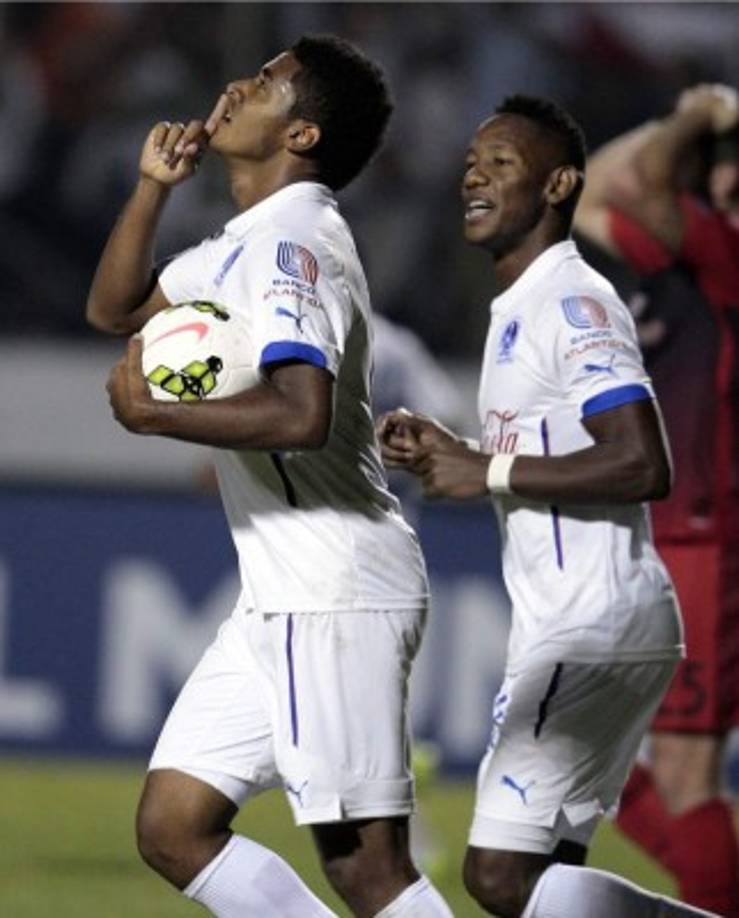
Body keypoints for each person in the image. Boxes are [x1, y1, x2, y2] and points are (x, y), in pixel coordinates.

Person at [86, 34, 452, 918]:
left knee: (367, 871)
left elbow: (302, 413)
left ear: (302, 136)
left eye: (266, 83)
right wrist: (152, 190)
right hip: (281, 592)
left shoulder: (293, 246)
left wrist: (156, 416)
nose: (235, 85)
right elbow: (116, 309)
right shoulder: (241, 241)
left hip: (336, 587)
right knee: (173, 827)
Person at [379, 95, 716, 917]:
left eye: (500, 161)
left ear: (560, 183)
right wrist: (448, 453)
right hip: (593, 617)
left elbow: (641, 460)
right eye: (470, 162)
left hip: (589, 618)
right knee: (543, 881)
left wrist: (485, 472)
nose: (473, 175)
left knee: (496, 877)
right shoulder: (519, 306)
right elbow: (546, 444)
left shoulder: (572, 302)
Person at [574, 83, 739, 916]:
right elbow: (584, 192)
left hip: (704, 540)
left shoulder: (723, 254)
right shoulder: (676, 263)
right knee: (577, 746)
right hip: (668, 535)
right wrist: (685, 115)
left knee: (682, 773)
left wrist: (692, 117)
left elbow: (630, 185)